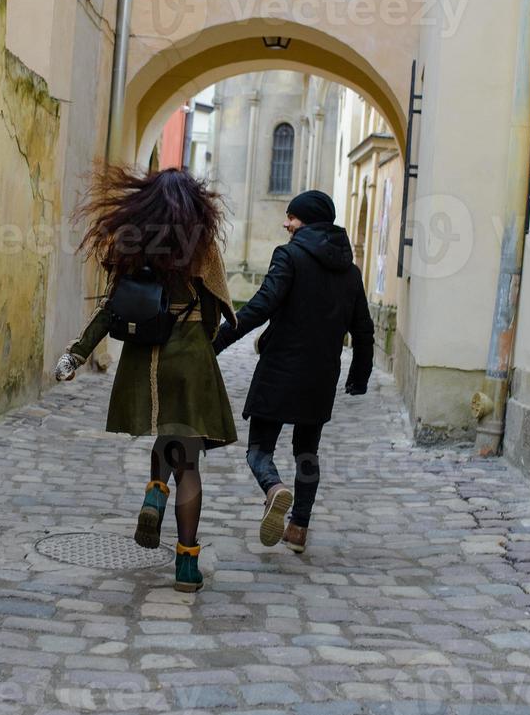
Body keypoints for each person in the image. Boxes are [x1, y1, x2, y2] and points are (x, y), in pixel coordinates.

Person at [54, 164, 238, 593]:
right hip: (190, 357)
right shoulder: (202, 248)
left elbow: (112, 307)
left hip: (145, 358)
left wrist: (76, 353)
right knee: (187, 458)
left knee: (164, 434)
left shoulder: (132, 243)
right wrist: (198, 339)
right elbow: (217, 313)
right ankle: (186, 566)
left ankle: (156, 491)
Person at [213, 189, 373, 553]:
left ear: (307, 220)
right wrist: (359, 377)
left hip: (280, 370)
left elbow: (261, 305)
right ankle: (299, 527)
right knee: (307, 451)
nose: (286, 223)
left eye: (292, 218)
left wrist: (218, 343)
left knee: (259, 451)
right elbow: (363, 329)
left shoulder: (289, 255)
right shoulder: (349, 271)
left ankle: (274, 488)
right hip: (321, 376)